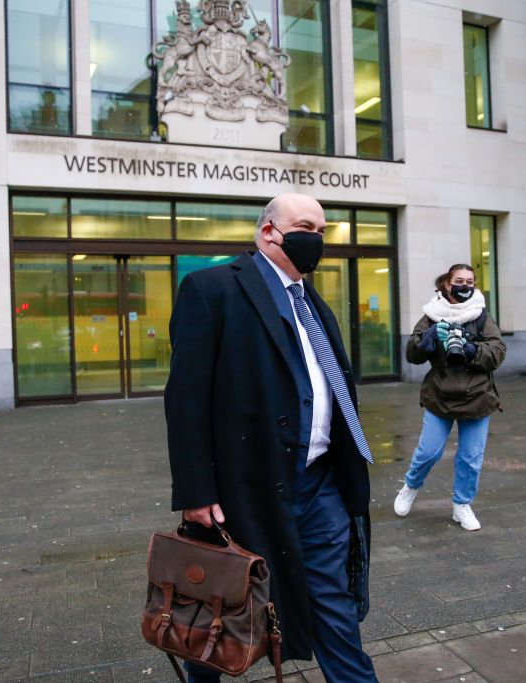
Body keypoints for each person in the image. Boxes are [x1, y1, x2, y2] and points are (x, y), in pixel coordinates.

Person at [164, 193, 378, 682]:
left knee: (335, 609)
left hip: (320, 486)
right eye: (307, 227)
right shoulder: (212, 289)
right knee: (219, 609)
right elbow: (186, 400)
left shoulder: (313, 304)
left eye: (323, 231)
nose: (317, 240)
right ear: (268, 232)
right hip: (244, 490)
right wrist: (196, 493)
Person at [393, 264, 506, 529]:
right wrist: (428, 339)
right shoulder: (432, 315)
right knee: (428, 451)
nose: (464, 286)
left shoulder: (480, 315)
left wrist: (470, 348)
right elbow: (412, 354)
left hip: (478, 395)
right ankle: (410, 486)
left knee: (471, 457)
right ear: (446, 284)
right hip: (440, 394)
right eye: (459, 280)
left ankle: (461, 505)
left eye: (470, 281)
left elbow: (498, 351)